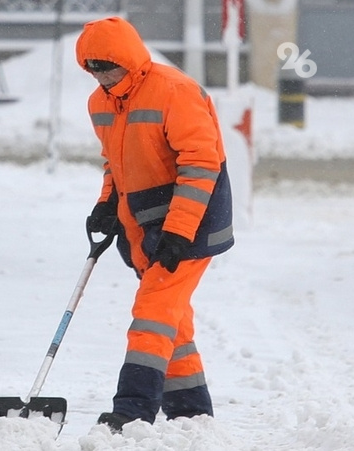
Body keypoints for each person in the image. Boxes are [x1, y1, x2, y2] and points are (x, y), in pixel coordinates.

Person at [74, 16, 235, 433]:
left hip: (191, 223)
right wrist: (107, 203)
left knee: (152, 314)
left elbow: (201, 164)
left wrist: (178, 232)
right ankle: (191, 412)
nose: (102, 77)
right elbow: (115, 164)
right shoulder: (100, 103)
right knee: (172, 320)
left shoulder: (174, 91)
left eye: (108, 67)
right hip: (144, 227)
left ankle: (133, 410)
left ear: (128, 59)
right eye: (92, 69)